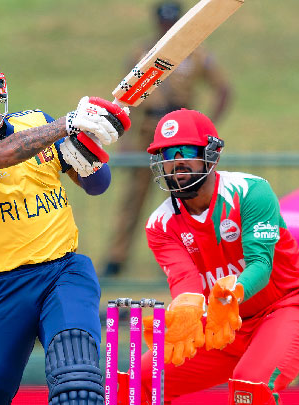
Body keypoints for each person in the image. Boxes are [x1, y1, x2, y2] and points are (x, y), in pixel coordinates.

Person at [0, 51, 130, 404]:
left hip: (63, 273)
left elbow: (98, 186)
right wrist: (67, 125)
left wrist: (88, 148)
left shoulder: (37, 122)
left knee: (77, 381)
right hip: (3, 286)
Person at [123, 109, 299, 404]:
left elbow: (260, 265)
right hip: (224, 325)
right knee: (140, 382)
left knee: (249, 387)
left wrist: (231, 295)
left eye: (187, 151)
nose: (177, 161)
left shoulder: (250, 191)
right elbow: (185, 280)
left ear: (212, 154)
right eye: (167, 154)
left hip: (289, 306)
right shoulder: (159, 224)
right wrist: (186, 310)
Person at [104, 0, 232, 276]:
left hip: (182, 130)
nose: (167, 27)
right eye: (164, 22)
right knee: (134, 196)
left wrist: (206, 128)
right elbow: (124, 98)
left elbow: (223, 89)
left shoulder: (197, 54)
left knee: (187, 193)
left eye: (172, 22)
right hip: (147, 130)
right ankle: (117, 257)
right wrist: (125, 139)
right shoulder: (142, 53)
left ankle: (194, 255)